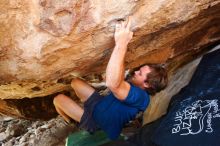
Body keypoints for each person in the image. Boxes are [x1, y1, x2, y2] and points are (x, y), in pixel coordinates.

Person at [53, 17, 168, 140]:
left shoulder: (141, 98)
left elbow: (113, 84)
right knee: (75, 82)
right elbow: (119, 75)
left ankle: (71, 122)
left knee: (58, 99)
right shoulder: (134, 84)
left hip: (99, 125)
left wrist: (122, 43)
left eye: (140, 73)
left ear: (147, 85)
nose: (136, 71)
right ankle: (77, 111)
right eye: (140, 69)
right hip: (100, 104)